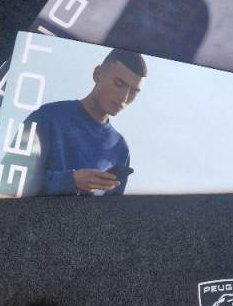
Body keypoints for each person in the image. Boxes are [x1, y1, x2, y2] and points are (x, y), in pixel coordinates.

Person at [22, 48, 147, 196]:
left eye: (133, 92)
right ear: (97, 74)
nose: (124, 97)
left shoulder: (120, 148)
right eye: (119, 84)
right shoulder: (48, 117)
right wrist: (72, 180)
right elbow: (10, 179)